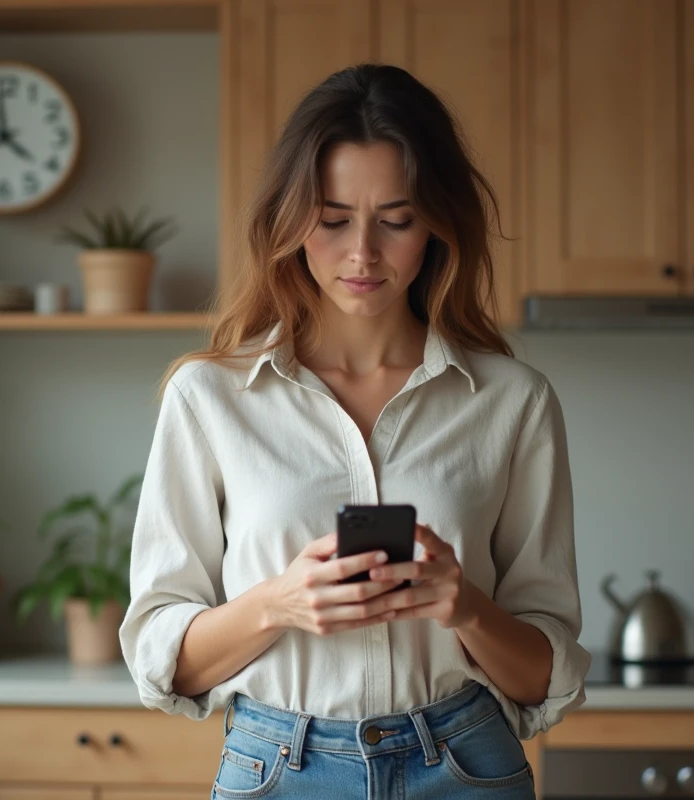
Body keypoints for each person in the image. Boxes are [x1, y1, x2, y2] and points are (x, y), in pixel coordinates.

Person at [120, 63, 590, 799]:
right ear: (289, 221)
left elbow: (542, 679)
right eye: (333, 219)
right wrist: (279, 602)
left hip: (466, 766)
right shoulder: (210, 397)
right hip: (278, 771)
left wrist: (465, 605)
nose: (363, 253)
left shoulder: (513, 402)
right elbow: (163, 661)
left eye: (396, 220)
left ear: (436, 225)